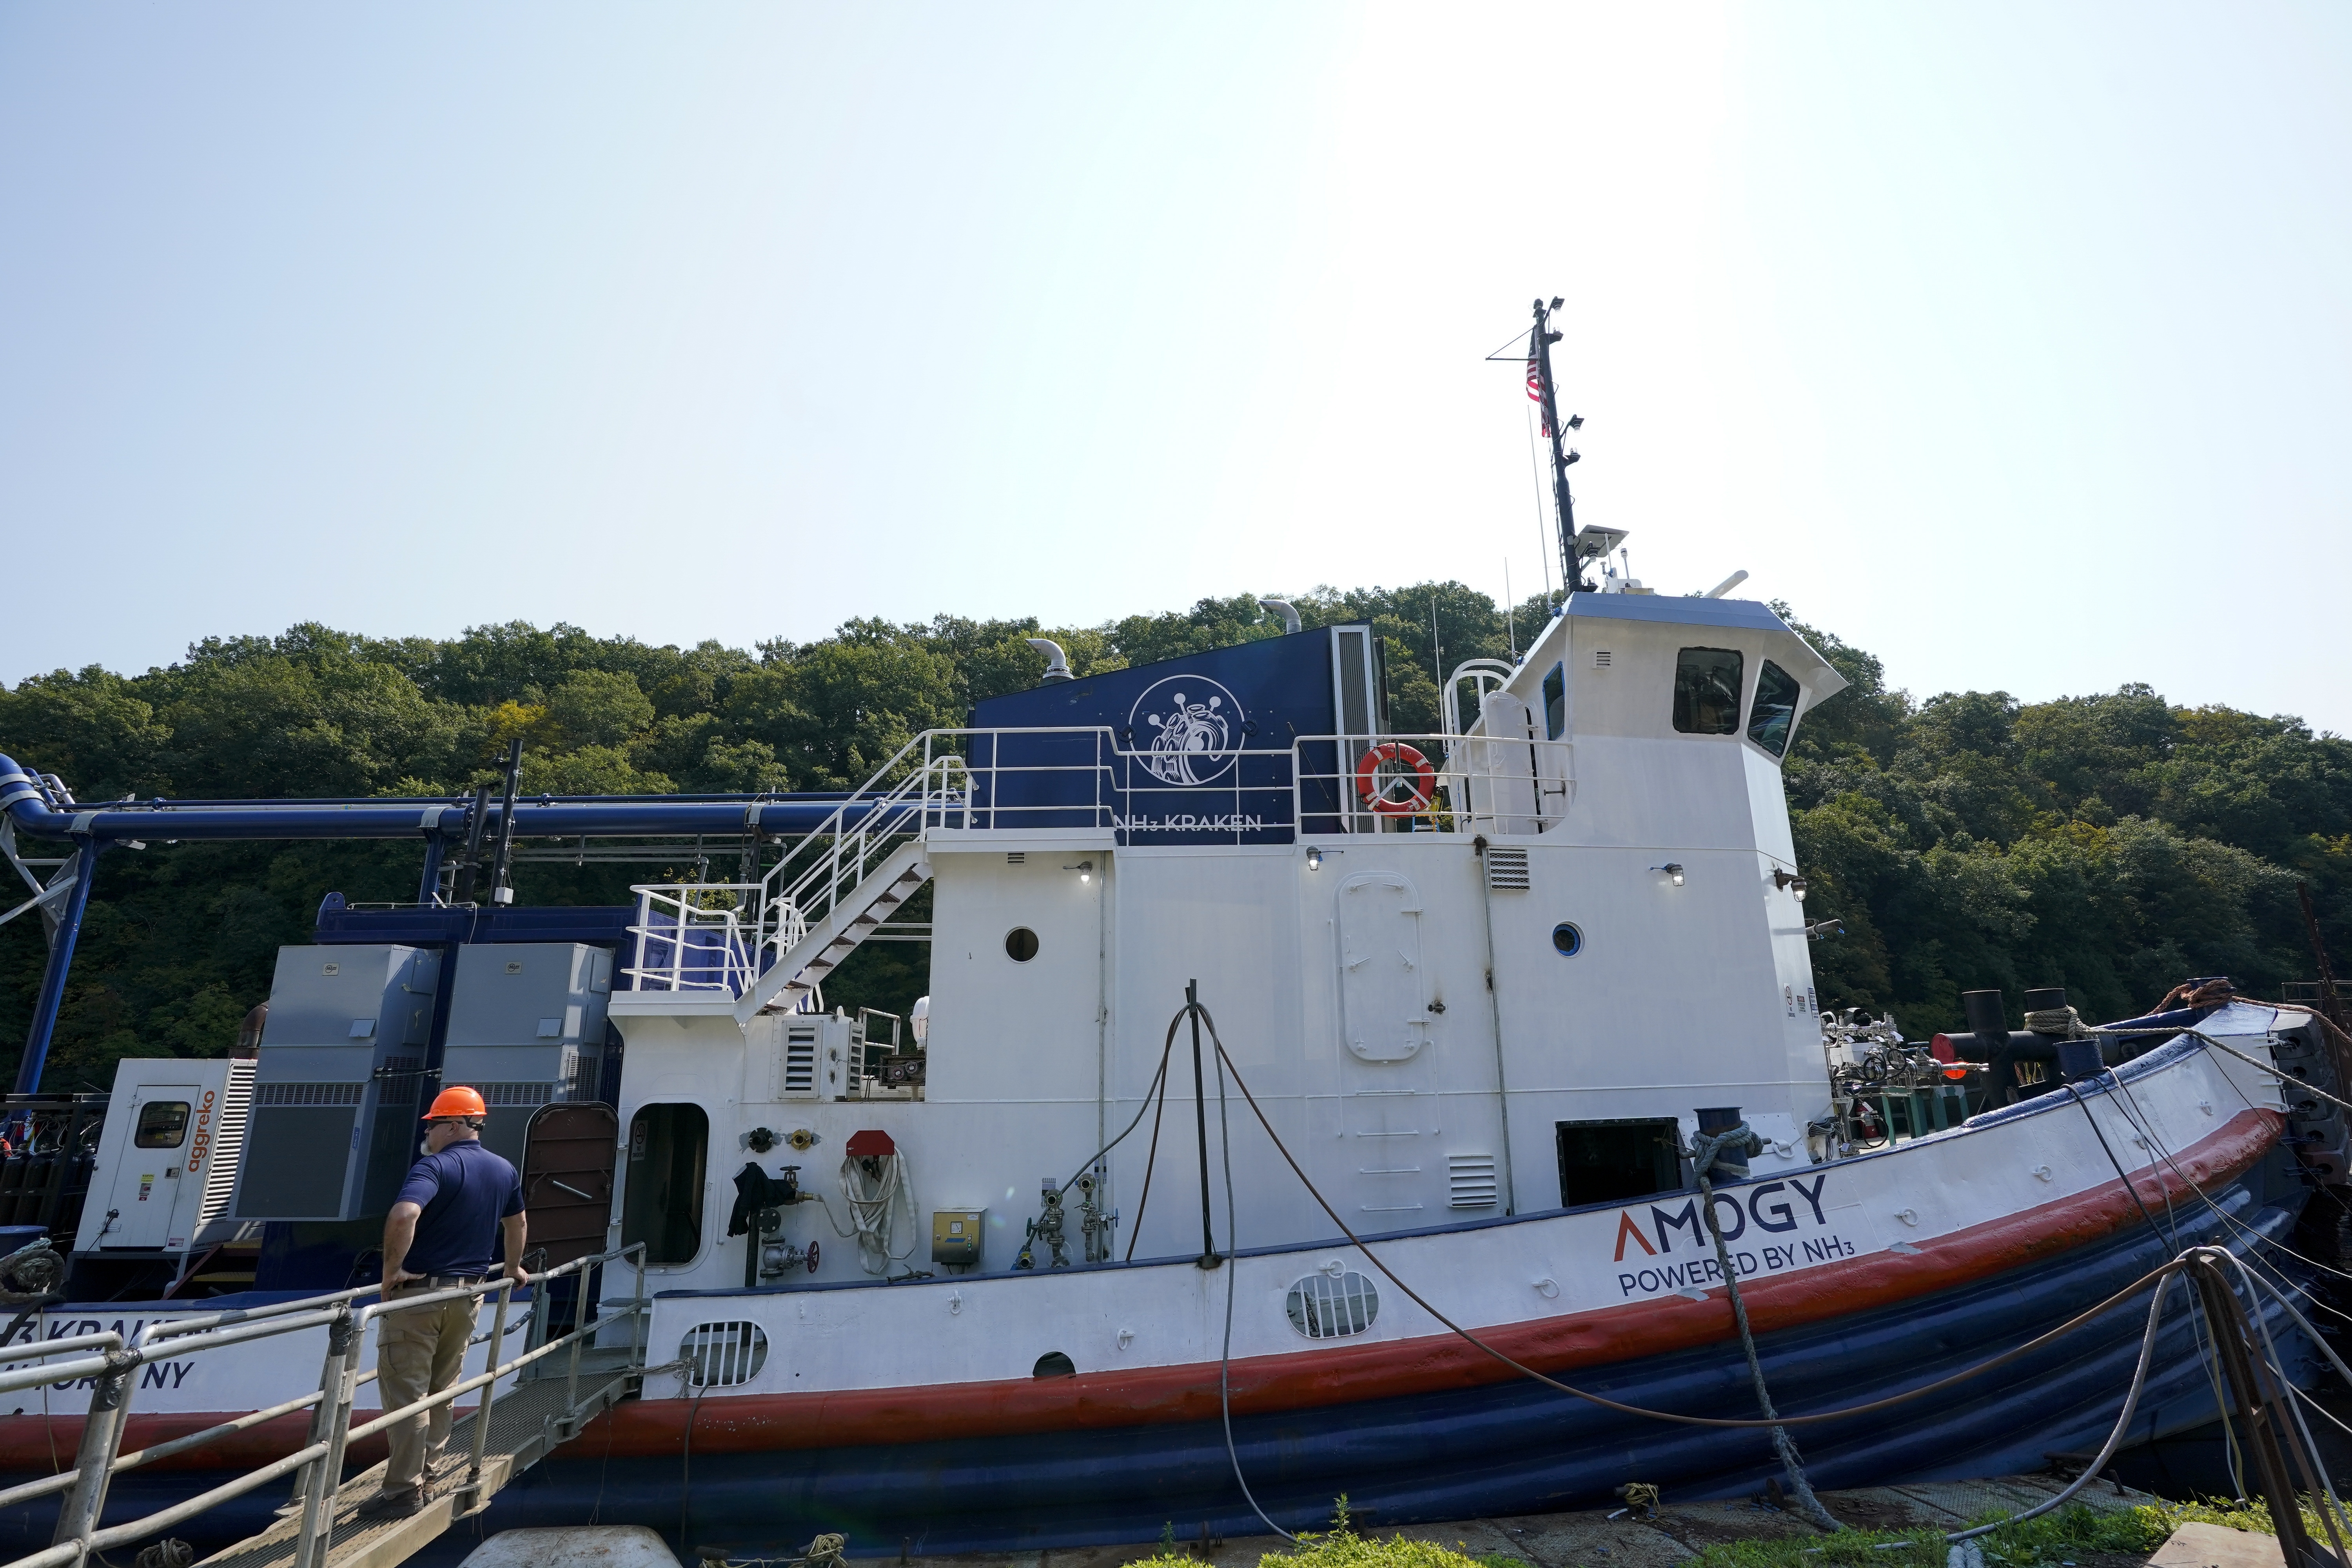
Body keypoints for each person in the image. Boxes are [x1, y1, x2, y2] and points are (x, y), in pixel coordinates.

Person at [357, 1085, 528, 1519]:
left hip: (419, 1297)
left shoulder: (433, 1166)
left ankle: (402, 1492)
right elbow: (518, 1221)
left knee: (408, 1396)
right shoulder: (504, 1169)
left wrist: (391, 1272)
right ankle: (428, 1476)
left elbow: (404, 1215)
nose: (429, 1133)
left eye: (433, 1125)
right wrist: (512, 1269)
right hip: (468, 1295)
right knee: (442, 1392)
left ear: (454, 1125)